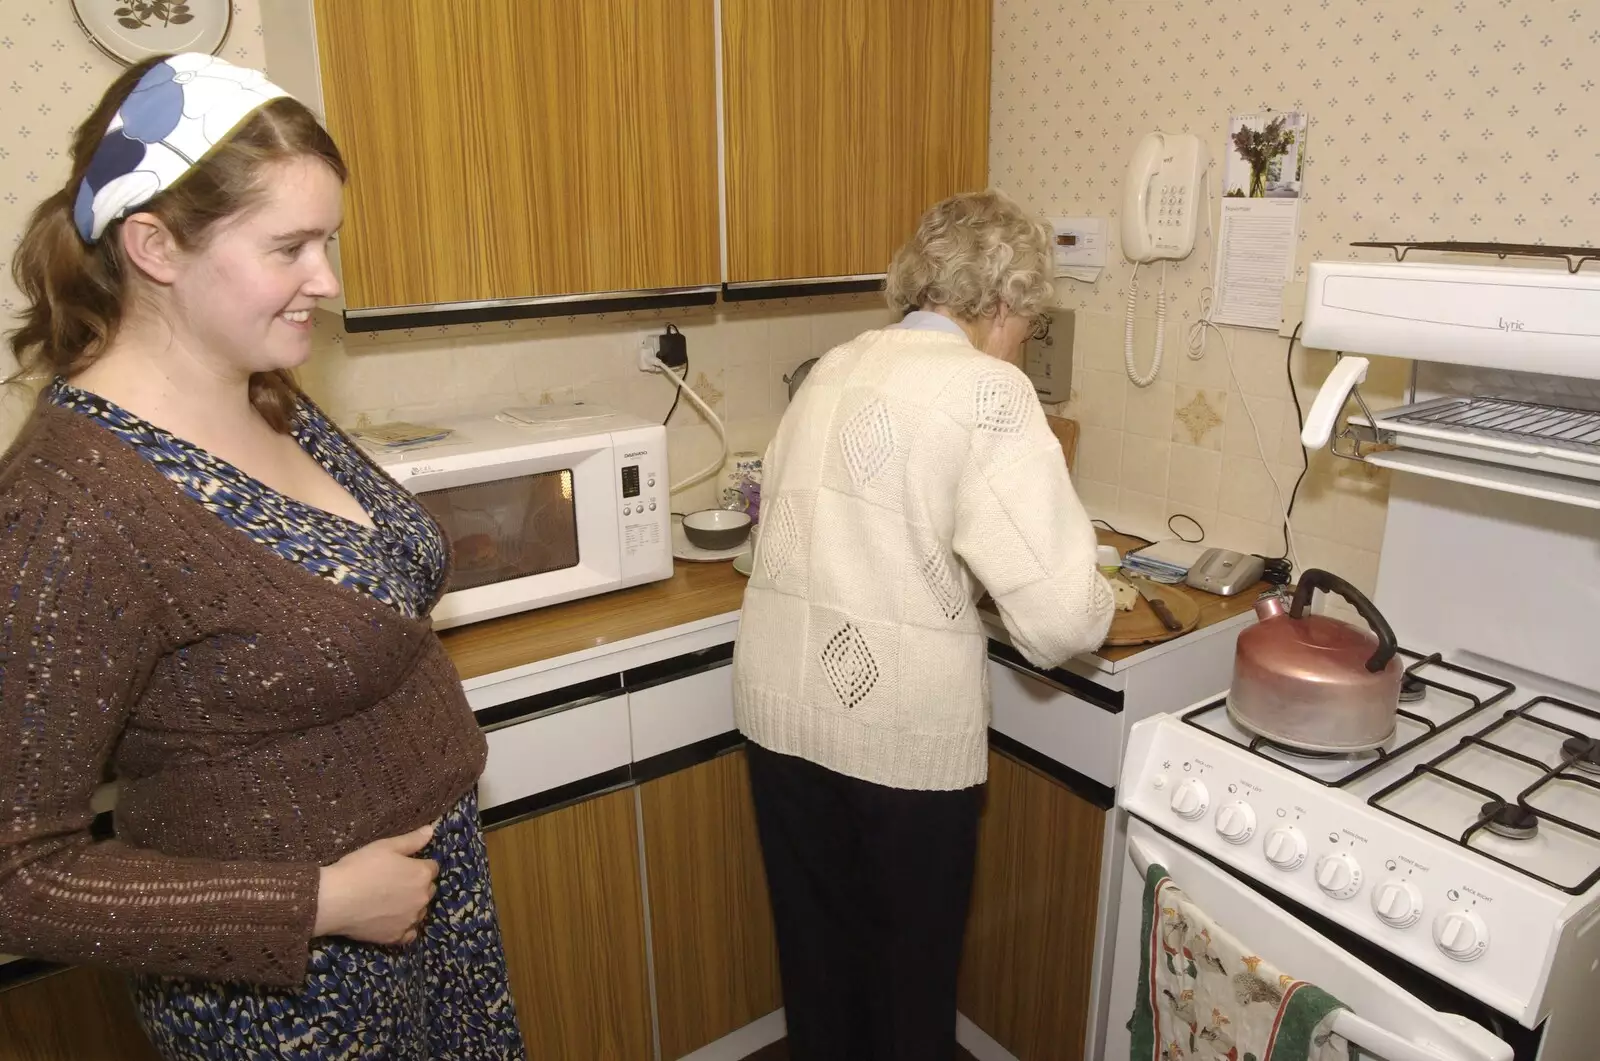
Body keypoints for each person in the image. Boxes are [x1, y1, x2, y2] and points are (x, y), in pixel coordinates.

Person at [0, 53, 524, 1059]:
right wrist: (319, 899)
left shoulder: (265, 390)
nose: (326, 282)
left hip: (429, 914)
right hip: (292, 995)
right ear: (154, 244)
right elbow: (17, 873)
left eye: (327, 240)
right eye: (290, 246)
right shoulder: (66, 508)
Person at [731, 189, 1116, 1060]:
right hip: (894, 734)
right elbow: (1063, 622)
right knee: (909, 986)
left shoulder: (835, 363)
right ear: (1006, 301)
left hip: (779, 710)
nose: (1025, 338)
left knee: (821, 965)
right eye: (1030, 318)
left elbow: (841, 531)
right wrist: (1087, 585)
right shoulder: (990, 391)